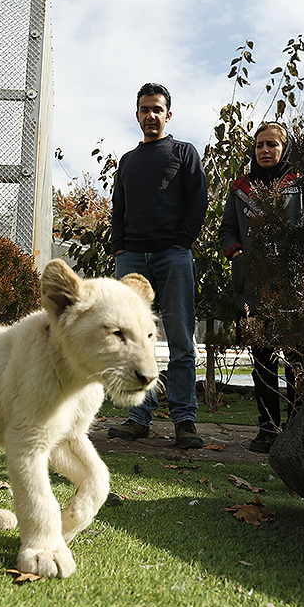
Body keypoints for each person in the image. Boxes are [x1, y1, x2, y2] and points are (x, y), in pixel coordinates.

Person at [107, 82, 209, 449]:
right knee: (134, 340)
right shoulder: (128, 161)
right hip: (131, 257)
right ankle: (138, 418)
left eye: (157, 109)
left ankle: (185, 421)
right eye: (145, 109)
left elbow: (200, 200)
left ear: (168, 114)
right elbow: (118, 208)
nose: (151, 115)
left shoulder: (184, 152)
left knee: (181, 340)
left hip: (173, 255)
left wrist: (183, 242)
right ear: (137, 115)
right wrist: (119, 248)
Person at [218, 122, 304, 453]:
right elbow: (227, 230)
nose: (265, 150)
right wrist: (236, 252)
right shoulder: (239, 188)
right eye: (259, 145)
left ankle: (299, 427)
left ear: (285, 149)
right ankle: (267, 428)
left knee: (296, 359)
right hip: (252, 286)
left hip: (291, 286)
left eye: (272, 144)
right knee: (262, 359)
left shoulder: (299, 187)